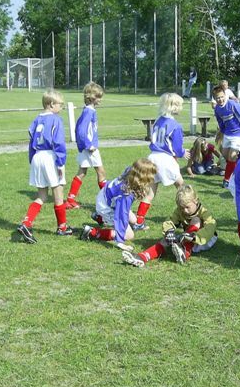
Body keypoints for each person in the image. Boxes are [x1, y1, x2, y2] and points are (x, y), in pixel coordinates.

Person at [17, 89, 73, 244]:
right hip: (50, 157)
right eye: (60, 105)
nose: (61, 108)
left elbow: (30, 140)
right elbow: (59, 142)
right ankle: (62, 227)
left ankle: (26, 223)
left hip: (37, 156)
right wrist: (61, 161)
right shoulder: (56, 120)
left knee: (41, 195)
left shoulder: (36, 119)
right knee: (58, 190)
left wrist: (32, 159)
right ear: (51, 104)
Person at [122, 185, 218, 267]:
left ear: (195, 201)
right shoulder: (179, 211)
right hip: (187, 236)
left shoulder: (204, 212)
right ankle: (143, 257)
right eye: (181, 207)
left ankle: (185, 252)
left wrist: (194, 236)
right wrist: (169, 232)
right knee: (165, 240)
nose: (184, 210)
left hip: (205, 240)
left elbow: (210, 228)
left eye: (187, 207)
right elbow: (170, 221)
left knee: (196, 220)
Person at [134, 93, 190, 230]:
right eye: (180, 105)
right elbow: (176, 148)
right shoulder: (176, 126)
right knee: (182, 187)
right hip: (165, 159)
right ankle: (189, 216)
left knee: (150, 192)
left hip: (153, 157)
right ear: (174, 106)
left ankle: (139, 221)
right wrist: (183, 153)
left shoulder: (158, 120)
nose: (181, 108)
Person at [79, 159, 157, 251]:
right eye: (150, 176)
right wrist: (120, 242)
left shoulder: (131, 173)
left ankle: (100, 218)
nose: (151, 179)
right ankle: (92, 232)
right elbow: (121, 216)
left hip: (105, 197)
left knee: (134, 220)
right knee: (129, 235)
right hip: (106, 207)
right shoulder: (126, 194)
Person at [65, 81, 107, 210]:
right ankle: (108, 199)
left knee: (82, 172)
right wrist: (89, 145)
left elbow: (78, 129)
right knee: (101, 172)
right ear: (92, 97)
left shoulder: (87, 111)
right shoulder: (89, 112)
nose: (100, 100)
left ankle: (70, 199)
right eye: (99, 97)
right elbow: (81, 130)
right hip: (90, 148)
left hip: (86, 148)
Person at [212, 85, 240, 188]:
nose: (220, 99)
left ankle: (227, 180)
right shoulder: (217, 109)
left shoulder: (232, 105)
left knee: (232, 156)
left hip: (239, 134)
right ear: (215, 98)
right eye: (218, 98)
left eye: (222, 96)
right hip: (227, 134)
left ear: (225, 95)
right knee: (226, 156)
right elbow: (221, 122)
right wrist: (221, 133)